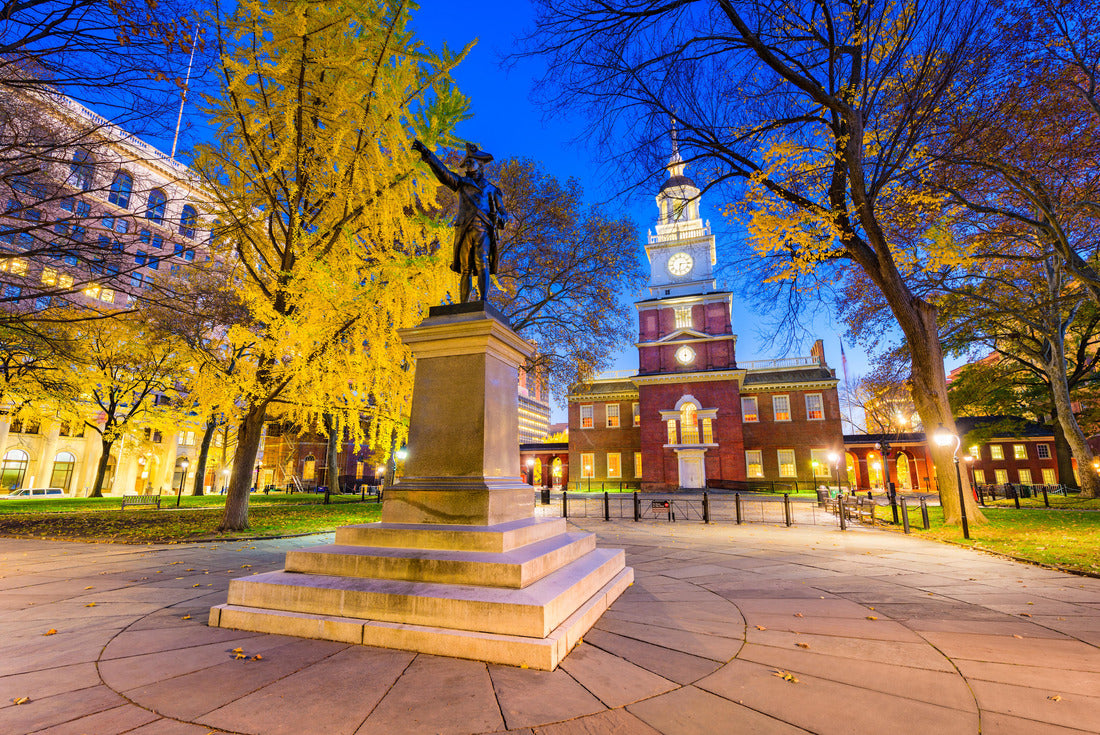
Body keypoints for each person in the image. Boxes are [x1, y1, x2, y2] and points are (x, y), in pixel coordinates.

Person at [411, 139, 509, 302]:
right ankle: (463, 304)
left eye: (471, 161)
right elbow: (444, 173)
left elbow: (504, 214)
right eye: (467, 162)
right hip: (464, 229)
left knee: (482, 262)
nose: (468, 164)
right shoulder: (461, 183)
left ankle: (483, 301)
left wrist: (499, 218)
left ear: (480, 164)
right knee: (465, 268)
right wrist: (427, 154)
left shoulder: (492, 189)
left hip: (483, 229)